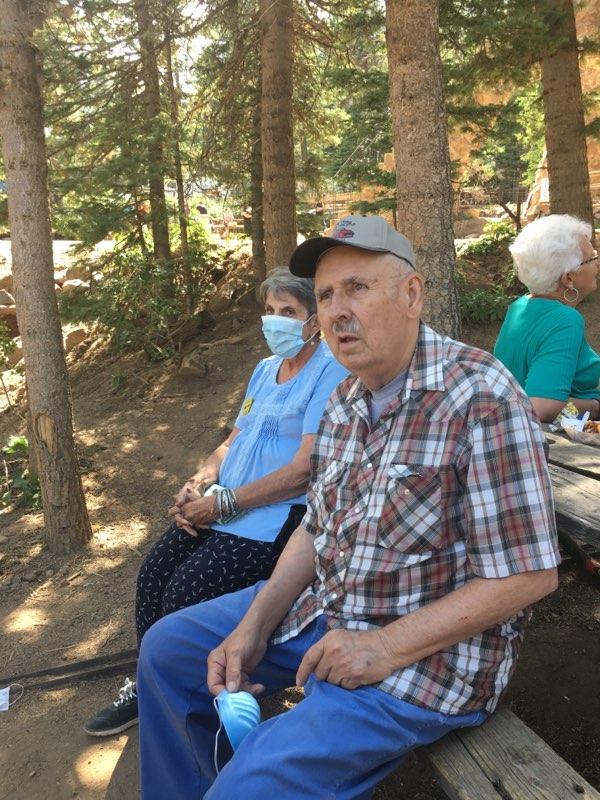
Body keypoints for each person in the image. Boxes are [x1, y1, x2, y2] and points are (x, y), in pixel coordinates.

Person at [137, 216, 559, 800]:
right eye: (328, 295)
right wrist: (255, 624)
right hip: (330, 609)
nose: (336, 310)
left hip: (425, 656)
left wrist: (382, 646)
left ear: (412, 295)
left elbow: (528, 574)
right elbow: (318, 525)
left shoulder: (481, 397)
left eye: (357, 288)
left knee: (254, 779)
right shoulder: (345, 399)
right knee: (169, 649)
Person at [83, 267, 348, 737]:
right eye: (270, 311)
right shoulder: (265, 371)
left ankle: (200, 708)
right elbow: (232, 441)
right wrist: (201, 479)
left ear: (313, 321)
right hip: (223, 507)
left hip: (275, 520)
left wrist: (223, 504)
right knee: (152, 578)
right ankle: (152, 689)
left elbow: (306, 468)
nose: (276, 321)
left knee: (184, 594)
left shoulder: (329, 371)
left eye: (289, 312)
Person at [494, 214, 600, 423]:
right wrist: (594, 407)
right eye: (592, 257)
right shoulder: (565, 320)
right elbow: (541, 407)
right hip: (555, 447)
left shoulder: (520, 306)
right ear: (569, 277)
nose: (597, 263)